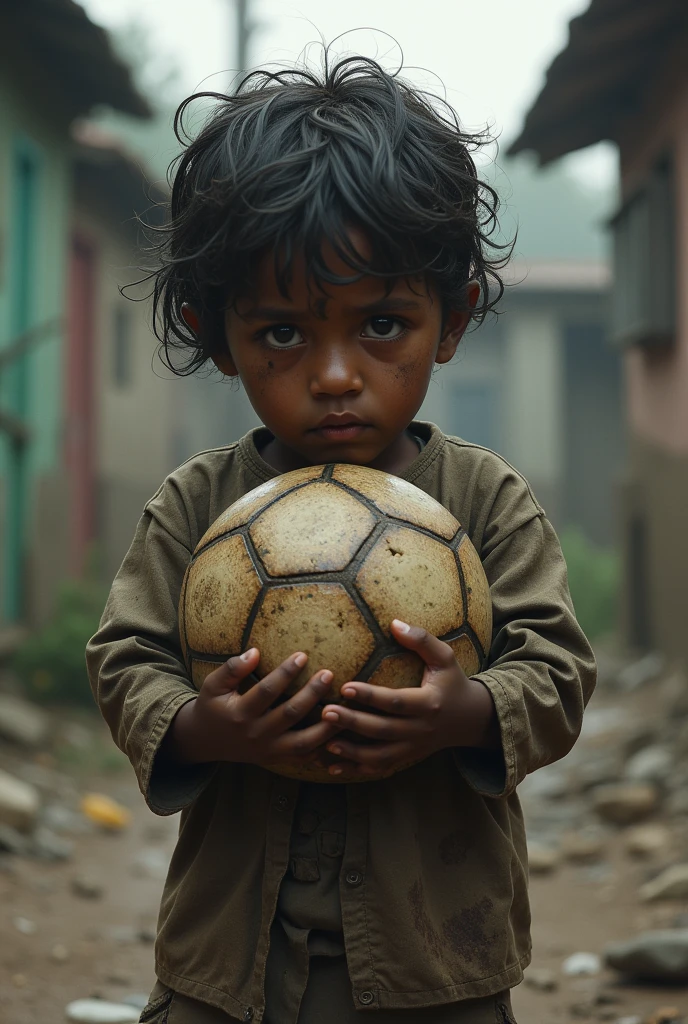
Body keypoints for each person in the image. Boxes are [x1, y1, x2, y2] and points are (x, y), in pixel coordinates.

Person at [87, 52, 596, 1024]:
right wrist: (206, 726)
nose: (332, 374)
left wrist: (464, 711)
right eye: (281, 333)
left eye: (382, 324)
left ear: (451, 323)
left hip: (436, 962)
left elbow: (558, 668)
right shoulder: (197, 505)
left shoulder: (484, 501)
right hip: (227, 965)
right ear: (213, 328)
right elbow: (126, 658)